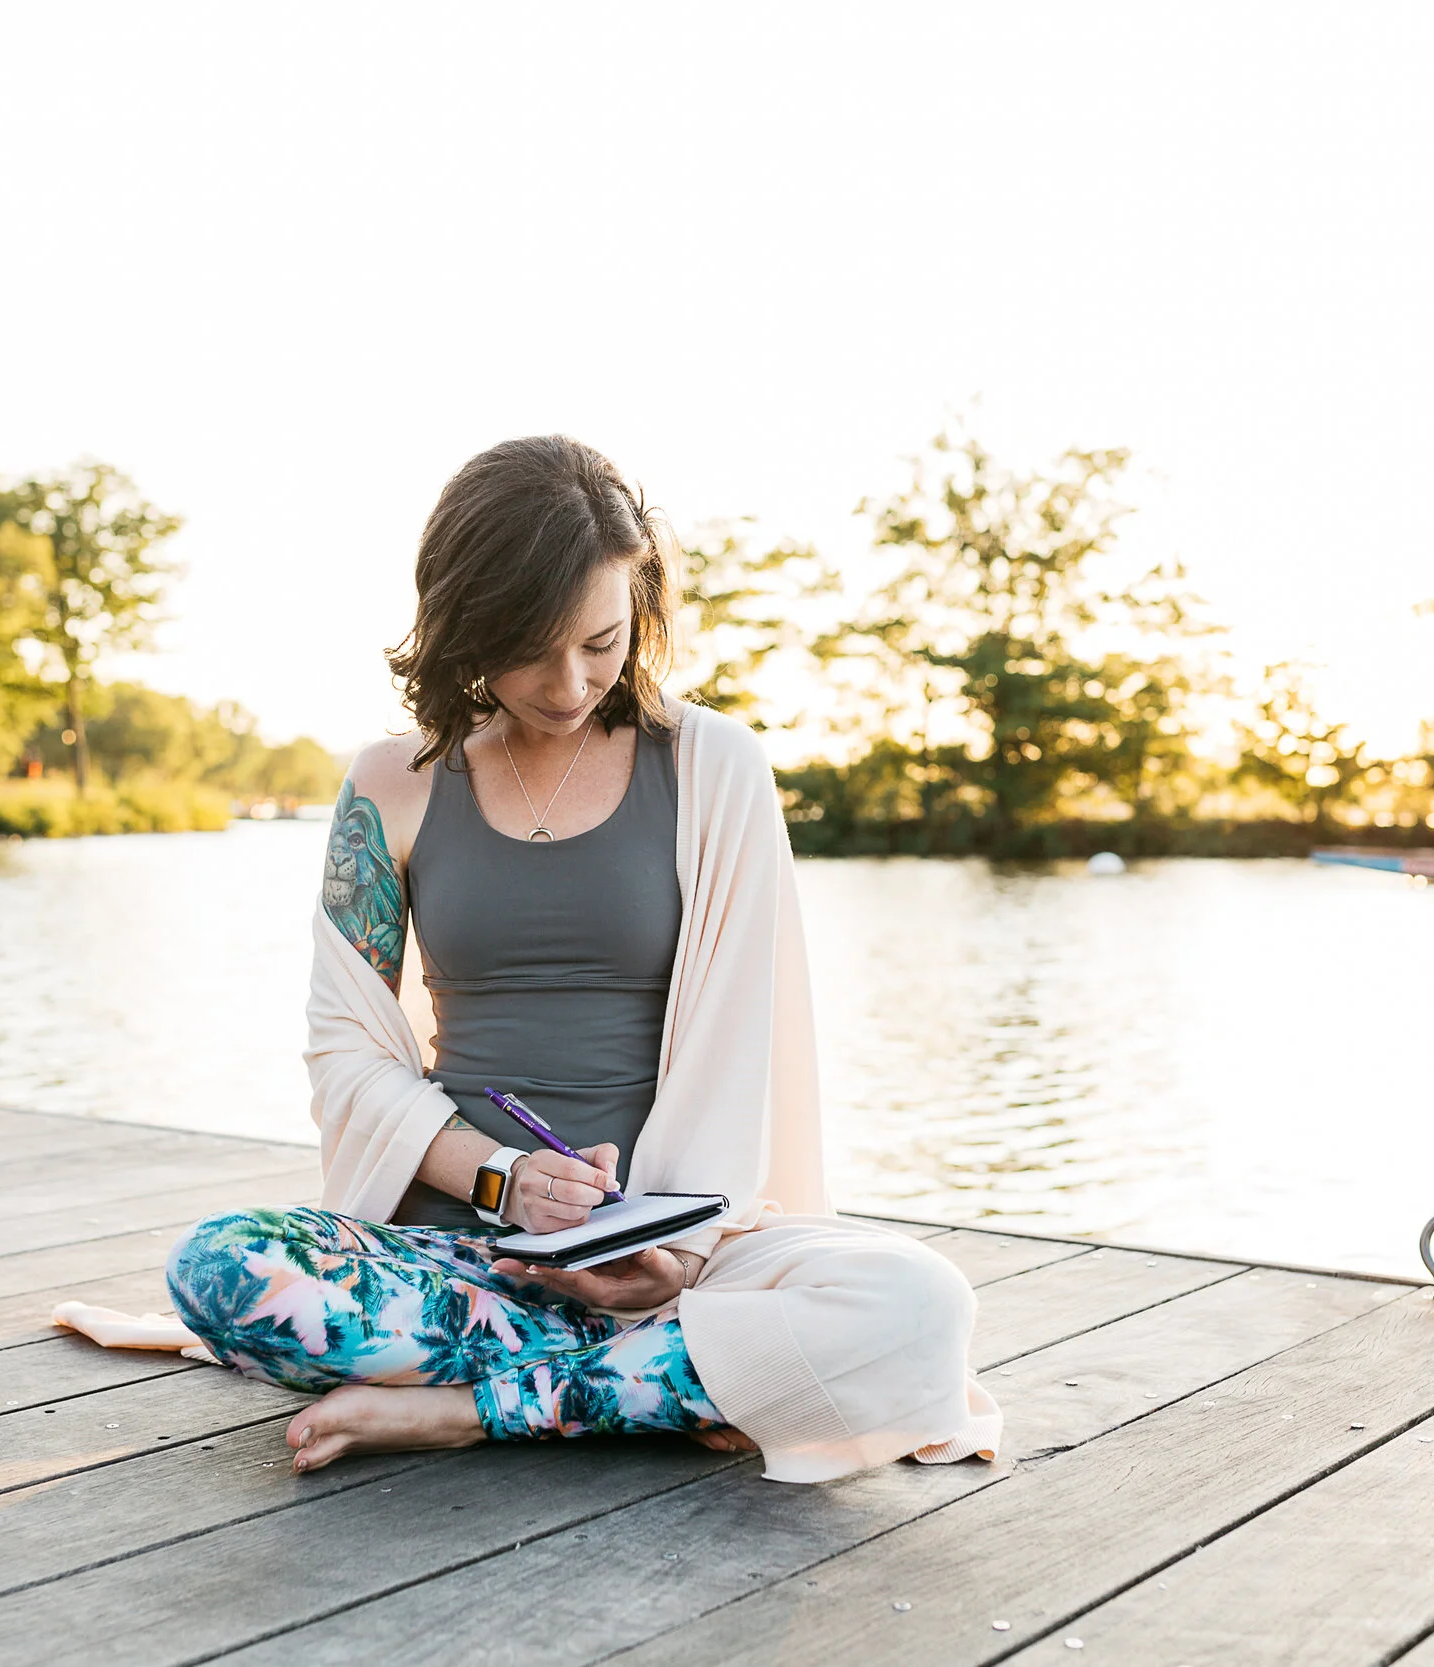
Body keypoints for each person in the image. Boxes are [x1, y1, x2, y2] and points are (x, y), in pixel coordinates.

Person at [159, 436, 1000, 1483]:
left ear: (638, 610)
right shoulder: (392, 786)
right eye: (530, 649)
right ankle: (661, 1383)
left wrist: (667, 1254)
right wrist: (507, 1181)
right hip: (458, 1255)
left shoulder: (714, 767)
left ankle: (475, 1407)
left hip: (690, 1252)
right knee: (217, 1267)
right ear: (463, 626)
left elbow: (747, 1046)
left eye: (600, 642)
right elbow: (346, 1055)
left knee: (919, 1301)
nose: (569, 683)